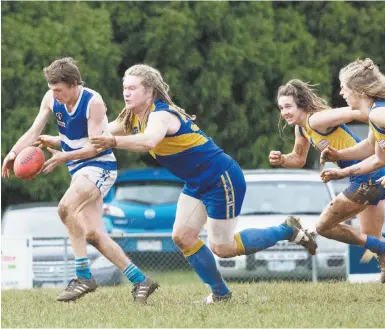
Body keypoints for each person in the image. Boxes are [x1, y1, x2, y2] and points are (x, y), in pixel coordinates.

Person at [90, 64, 317, 304]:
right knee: (182, 237)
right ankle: (221, 294)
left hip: (221, 178)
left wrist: (112, 141)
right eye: (125, 87)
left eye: (133, 88)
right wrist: (61, 143)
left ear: (149, 92)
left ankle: (288, 230)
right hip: (197, 182)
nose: (126, 93)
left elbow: (148, 141)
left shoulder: (161, 114)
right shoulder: (131, 118)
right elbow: (96, 134)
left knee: (222, 247)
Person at [1, 57, 157, 303]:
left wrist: (64, 155)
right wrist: (13, 153)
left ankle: (83, 276)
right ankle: (141, 280)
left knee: (65, 208)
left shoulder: (93, 103)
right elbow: (34, 132)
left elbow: (95, 147)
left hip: (99, 165)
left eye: (59, 90)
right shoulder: (51, 97)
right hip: (78, 167)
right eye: (52, 89)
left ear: (74, 84)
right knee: (94, 235)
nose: (55, 94)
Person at [269, 79, 385, 283]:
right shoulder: (302, 128)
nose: (284, 112)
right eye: (281, 108)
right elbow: (299, 159)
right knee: (372, 237)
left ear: (301, 104)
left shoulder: (317, 120)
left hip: (369, 175)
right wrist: (283, 159)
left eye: (288, 106)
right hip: (370, 175)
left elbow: (358, 112)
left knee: (324, 227)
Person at [320, 58, 385, 299]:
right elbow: (377, 159)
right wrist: (341, 168)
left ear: (359, 91)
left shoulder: (381, 112)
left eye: (344, 87)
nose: (341, 92)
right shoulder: (375, 115)